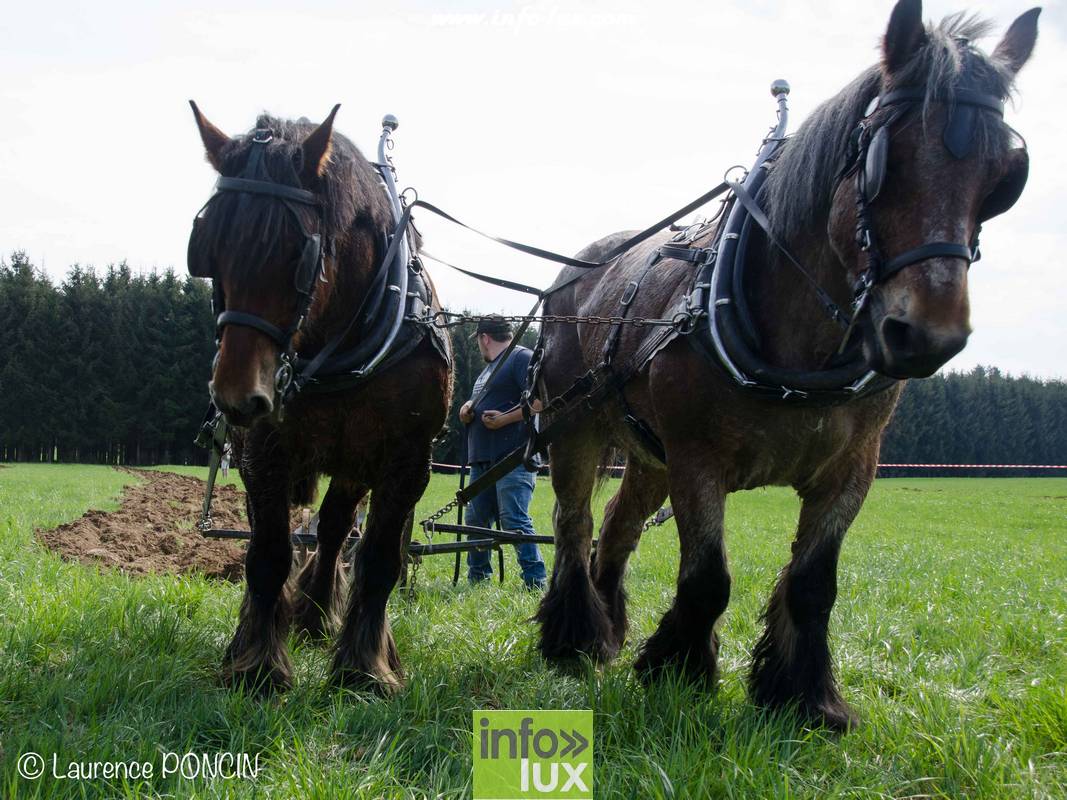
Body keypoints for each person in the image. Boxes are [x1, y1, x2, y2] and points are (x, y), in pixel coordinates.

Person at [459, 316, 547, 589]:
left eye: (479, 342)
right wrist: (467, 408)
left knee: (514, 519)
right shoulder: (489, 370)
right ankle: (478, 580)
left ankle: (535, 580)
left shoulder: (521, 358)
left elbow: (541, 400)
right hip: (483, 457)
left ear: (484, 338)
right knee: (475, 520)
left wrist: (504, 419)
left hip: (513, 457)